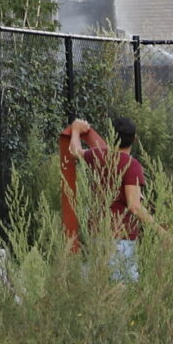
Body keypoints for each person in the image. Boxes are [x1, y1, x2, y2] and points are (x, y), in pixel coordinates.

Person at [60, 115, 151, 278]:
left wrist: (75, 129)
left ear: (110, 135)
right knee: (122, 287)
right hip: (121, 237)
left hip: (97, 234)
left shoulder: (97, 156)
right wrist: (159, 229)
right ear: (135, 139)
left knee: (99, 286)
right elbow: (134, 206)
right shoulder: (132, 165)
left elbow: (74, 151)